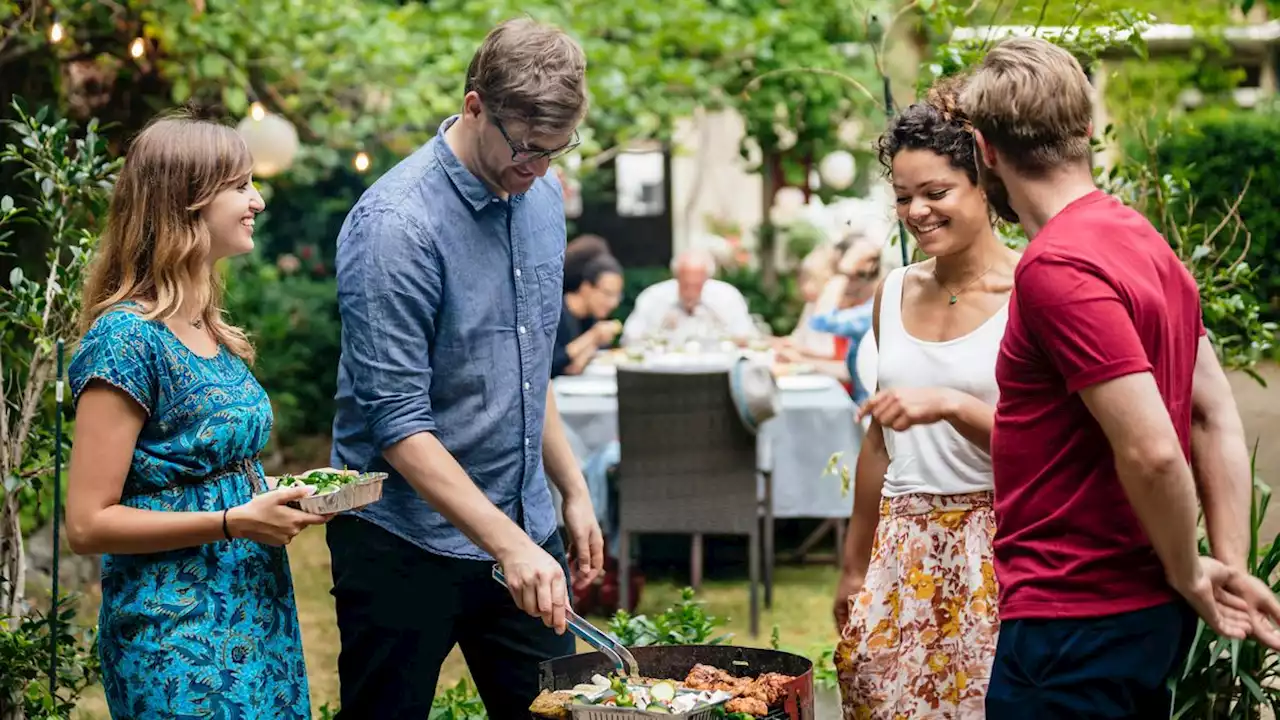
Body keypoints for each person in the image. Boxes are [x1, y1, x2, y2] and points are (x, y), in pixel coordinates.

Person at [960, 37, 1280, 718]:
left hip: (1072, 621)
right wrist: (1228, 567)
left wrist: (1197, 574)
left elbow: (1155, 448)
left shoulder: (1057, 268)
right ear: (1084, 129)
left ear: (984, 150)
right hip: (1136, 620)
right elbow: (1212, 413)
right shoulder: (1142, 240)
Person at [327, 18, 604, 718]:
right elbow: (398, 426)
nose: (538, 169)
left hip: (522, 526)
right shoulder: (394, 225)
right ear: (474, 106)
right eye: (525, 149)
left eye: (555, 150)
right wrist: (511, 545)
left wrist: (569, 489)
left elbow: (527, 363)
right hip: (401, 541)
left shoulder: (540, 197)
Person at [64, 112, 328, 718]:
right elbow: (87, 523)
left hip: (254, 612)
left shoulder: (207, 325)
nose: (256, 200)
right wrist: (235, 521)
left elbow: (206, 477)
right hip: (177, 635)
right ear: (185, 202)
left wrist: (279, 497)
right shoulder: (126, 339)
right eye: (240, 186)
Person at [831, 77, 1019, 719]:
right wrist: (855, 565)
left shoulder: (1029, 293)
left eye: (937, 193)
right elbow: (879, 442)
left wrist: (949, 404)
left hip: (994, 550)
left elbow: (1053, 446)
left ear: (986, 185)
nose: (918, 212)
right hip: (900, 545)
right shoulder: (894, 289)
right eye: (904, 197)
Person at [620, 248, 756, 346]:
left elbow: (746, 336)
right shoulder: (653, 297)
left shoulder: (727, 296)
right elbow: (629, 338)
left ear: (707, 279)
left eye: (697, 285)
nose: (691, 292)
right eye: (685, 285)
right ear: (676, 277)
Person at [554, 252, 624, 377]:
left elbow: (574, 368)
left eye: (617, 296)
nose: (613, 303)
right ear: (586, 288)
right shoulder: (556, 314)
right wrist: (593, 336)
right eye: (607, 294)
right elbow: (552, 364)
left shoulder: (592, 317)